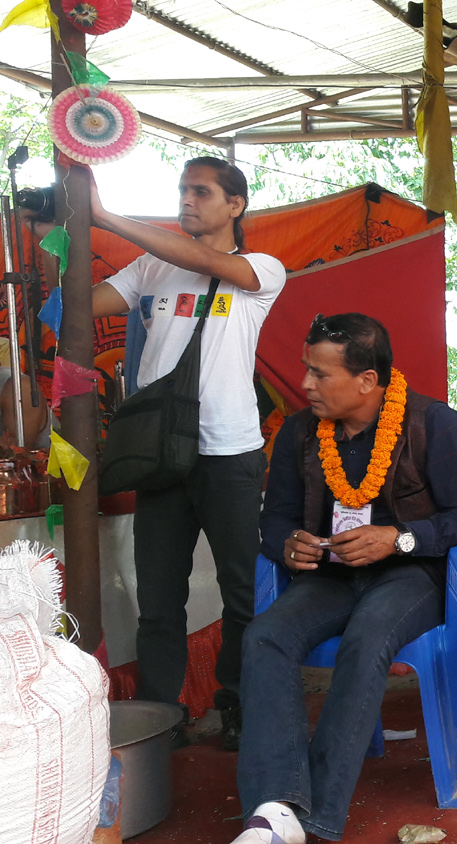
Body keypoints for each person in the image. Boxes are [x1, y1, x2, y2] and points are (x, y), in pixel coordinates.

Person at [233, 314, 457, 844]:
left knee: (368, 636)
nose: (305, 384)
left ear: (367, 380)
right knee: (264, 636)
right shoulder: (300, 433)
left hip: (411, 574)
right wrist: (287, 544)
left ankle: (315, 816)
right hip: (330, 576)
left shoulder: (433, 423)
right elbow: (275, 518)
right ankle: (277, 804)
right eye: (307, 369)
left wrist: (398, 538)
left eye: (320, 374)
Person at [89, 158, 286, 749]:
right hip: (160, 456)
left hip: (230, 452)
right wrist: (59, 237)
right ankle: (160, 716)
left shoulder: (261, 269)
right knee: (158, 599)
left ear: (236, 205)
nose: (187, 200)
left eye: (201, 192)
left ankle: (239, 703)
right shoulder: (150, 267)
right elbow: (78, 306)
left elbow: (201, 260)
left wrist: (105, 216)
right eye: (182, 190)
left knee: (241, 592)